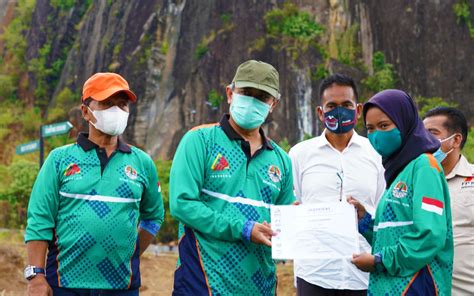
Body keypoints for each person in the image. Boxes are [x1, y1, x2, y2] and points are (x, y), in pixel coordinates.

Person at [25, 73, 165, 295]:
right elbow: (40, 220)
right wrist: (35, 276)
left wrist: (131, 252)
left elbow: (154, 215)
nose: (116, 111)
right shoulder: (59, 160)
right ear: (85, 111)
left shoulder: (142, 163)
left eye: (122, 105)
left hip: (121, 287)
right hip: (64, 285)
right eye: (107, 104)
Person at [169, 60, 295, 295]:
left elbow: (284, 223)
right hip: (202, 284)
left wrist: (299, 220)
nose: (253, 102)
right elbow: (182, 204)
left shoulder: (282, 160)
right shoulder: (199, 141)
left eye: (262, 97)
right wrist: (244, 229)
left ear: (273, 104)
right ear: (230, 93)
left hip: (261, 286)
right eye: (247, 93)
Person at [349, 89, 453, 295]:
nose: (377, 134)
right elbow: (391, 234)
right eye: (370, 129)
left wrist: (379, 261)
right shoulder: (398, 172)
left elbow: (430, 234)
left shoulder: (425, 167)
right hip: (388, 287)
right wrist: (364, 220)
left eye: (384, 125)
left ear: (404, 123)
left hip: (416, 285)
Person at [289, 74, 385, 296]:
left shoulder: (377, 154)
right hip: (314, 273)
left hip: (363, 274)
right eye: (331, 105)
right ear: (320, 112)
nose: (339, 111)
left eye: (346, 105)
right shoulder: (299, 154)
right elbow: (293, 204)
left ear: (358, 110)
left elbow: (382, 208)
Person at [423, 107, 473, 295]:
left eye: (432, 134)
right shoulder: (416, 183)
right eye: (422, 134)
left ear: (456, 140)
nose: (425, 141)